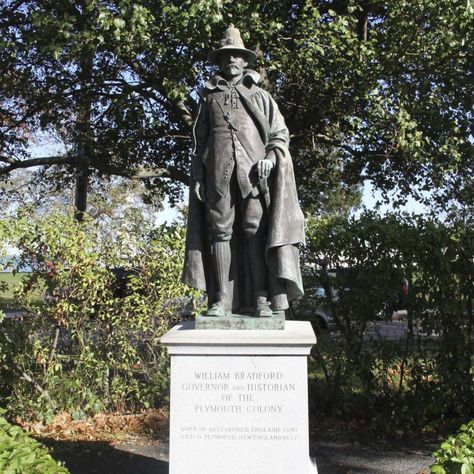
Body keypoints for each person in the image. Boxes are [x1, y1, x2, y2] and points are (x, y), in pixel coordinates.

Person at [183, 25, 304, 317]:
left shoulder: (261, 97)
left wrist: (272, 158)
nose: (232, 61)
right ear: (220, 62)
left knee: (255, 232)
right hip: (217, 178)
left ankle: (262, 298)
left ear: (245, 60)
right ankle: (220, 300)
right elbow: (199, 144)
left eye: (237, 56)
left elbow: (279, 134)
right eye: (226, 56)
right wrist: (198, 176)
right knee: (219, 233)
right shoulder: (207, 99)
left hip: (253, 176)